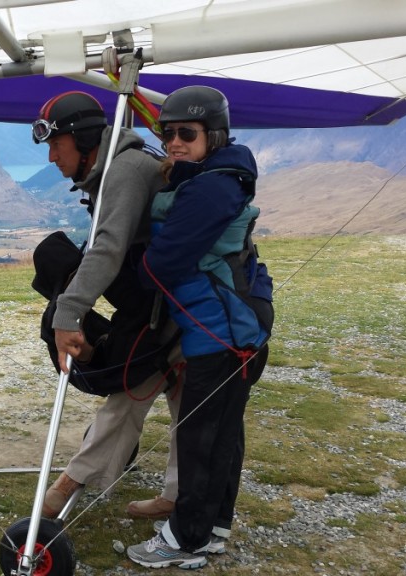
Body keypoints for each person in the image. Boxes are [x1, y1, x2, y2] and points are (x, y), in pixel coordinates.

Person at [126, 86, 274, 569]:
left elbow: (163, 264)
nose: (173, 142)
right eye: (167, 133)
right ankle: (211, 529)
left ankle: (183, 541)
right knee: (222, 435)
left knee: (200, 437)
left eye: (185, 134)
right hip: (233, 328)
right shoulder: (218, 174)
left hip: (222, 333)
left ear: (214, 135)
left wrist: (143, 263)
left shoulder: (211, 187)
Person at [30, 90, 182, 518]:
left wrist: (68, 312)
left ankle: (73, 482)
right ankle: (177, 494)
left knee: (138, 387)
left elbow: (108, 248)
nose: (51, 159)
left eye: (55, 147)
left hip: (178, 304)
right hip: (162, 301)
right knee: (168, 393)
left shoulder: (126, 170)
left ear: (81, 139)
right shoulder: (114, 169)